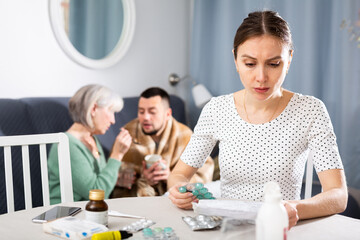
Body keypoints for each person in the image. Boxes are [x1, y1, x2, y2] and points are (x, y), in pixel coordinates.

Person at [167, 11, 348, 229]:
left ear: (289, 59)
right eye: (250, 64)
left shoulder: (310, 110)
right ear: (235, 59)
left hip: (281, 228)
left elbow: (338, 195)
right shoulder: (216, 109)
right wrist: (178, 191)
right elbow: (178, 175)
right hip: (227, 229)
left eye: (273, 64)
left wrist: (295, 209)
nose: (261, 77)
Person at [111, 87, 214, 197]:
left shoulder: (185, 135)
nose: (145, 117)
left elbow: (204, 172)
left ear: (168, 114)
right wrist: (141, 178)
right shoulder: (128, 133)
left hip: (173, 197)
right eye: (141, 111)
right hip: (137, 196)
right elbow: (112, 171)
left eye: (152, 112)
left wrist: (172, 177)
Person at [48, 84, 132, 204]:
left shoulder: (93, 140)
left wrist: (116, 180)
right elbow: (95, 193)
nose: (113, 120)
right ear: (93, 109)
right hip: (67, 215)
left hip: (89, 212)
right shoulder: (67, 145)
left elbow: (96, 181)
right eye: (111, 111)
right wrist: (117, 155)